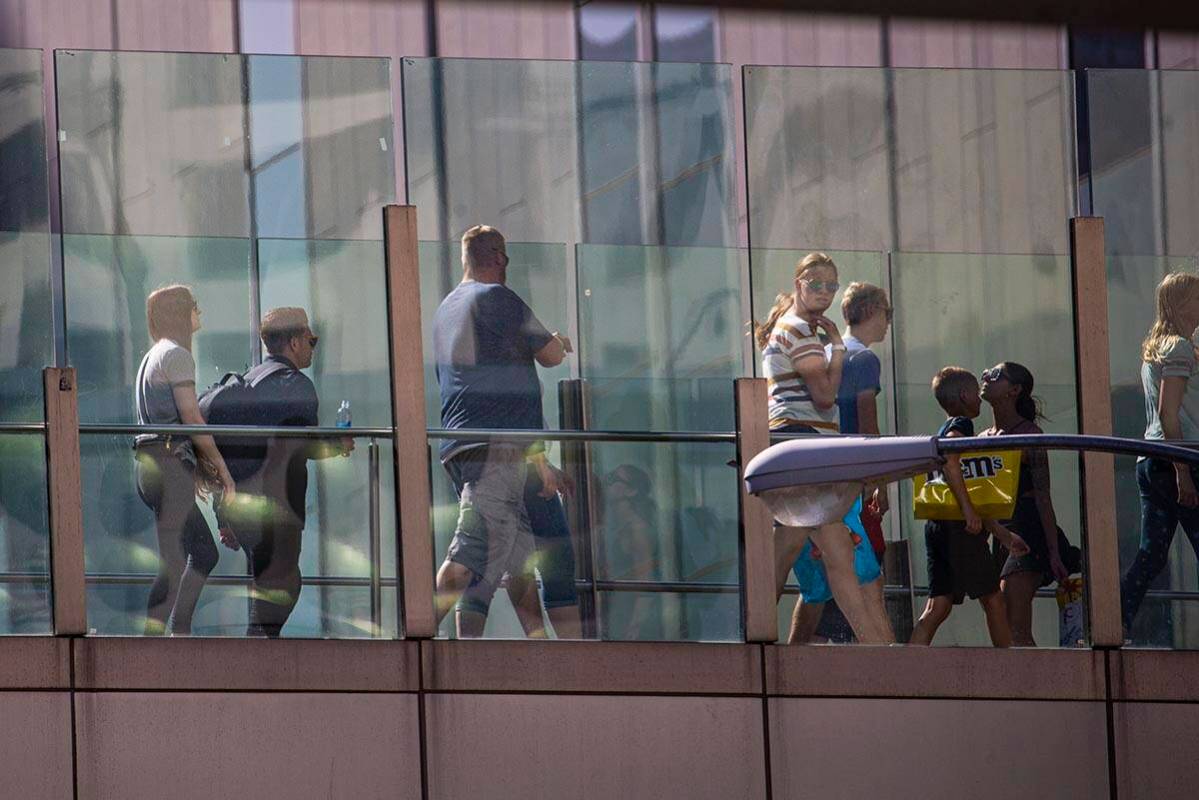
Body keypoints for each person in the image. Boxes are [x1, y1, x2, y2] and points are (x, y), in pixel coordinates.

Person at [433, 225, 572, 638]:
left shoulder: (446, 308)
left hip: (463, 445)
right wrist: (560, 342)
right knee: (471, 549)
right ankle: (414, 631)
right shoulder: (499, 297)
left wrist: (538, 458)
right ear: (499, 259)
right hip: (495, 448)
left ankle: (525, 650)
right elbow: (548, 355)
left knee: (514, 559)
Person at [753, 252, 893, 644]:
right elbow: (826, 396)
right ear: (798, 283)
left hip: (802, 444)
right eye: (816, 283)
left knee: (834, 556)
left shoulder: (797, 329)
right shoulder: (798, 329)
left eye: (832, 285)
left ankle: (883, 655)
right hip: (802, 442)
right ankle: (752, 637)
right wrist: (837, 348)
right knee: (816, 554)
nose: (825, 292)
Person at [216, 307, 352, 637]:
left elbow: (222, 448)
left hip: (240, 507)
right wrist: (339, 444)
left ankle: (258, 657)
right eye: (310, 339)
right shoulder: (297, 385)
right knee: (283, 586)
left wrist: (222, 516)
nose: (312, 346)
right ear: (293, 343)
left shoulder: (246, 381)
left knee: (268, 585)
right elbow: (302, 445)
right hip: (277, 506)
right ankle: (257, 663)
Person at [788, 281, 891, 644]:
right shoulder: (863, 359)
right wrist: (879, 479)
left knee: (816, 587)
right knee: (869, 576)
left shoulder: (827, 354)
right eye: (887, 313)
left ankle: (794, 662)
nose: (888, 323)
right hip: (846, 481)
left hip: (810, 474)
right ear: (871, 312)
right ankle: (891, 668)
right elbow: (868, 425)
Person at [134, 284, 235, 635]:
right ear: (181, 313)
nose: (199, 313)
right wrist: (224, 472)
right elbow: (192, 419)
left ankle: (172, 635)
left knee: (186, 557)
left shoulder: (154, 355)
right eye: (194, 306)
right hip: (165, 466)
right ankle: (166, 639)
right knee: (192, 557)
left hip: (153, 465)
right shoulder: (177, 355)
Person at [908, 367, 1029, 647]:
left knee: (938, 606)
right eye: (976, 393)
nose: (979, 400)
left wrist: (1001, 534)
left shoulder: (944, 426)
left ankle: (907, 667)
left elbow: (973, 486)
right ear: (965, 395)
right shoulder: (962, 425)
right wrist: (968, 511)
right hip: (958, 528)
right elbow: (951, 457)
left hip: (938, 524)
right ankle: (1009, 671)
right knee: (994, 601)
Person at [980, 361, 1081, 646]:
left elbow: (1043, 495)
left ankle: (1039, 687)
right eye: (986, 372)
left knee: (1015, 627)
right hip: (999, 532)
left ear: (1014, 390)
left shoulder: (1030, 434)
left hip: (1028, 530)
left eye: (996, 375)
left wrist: (1054, 552)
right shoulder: (982, 437)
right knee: (1003, 628)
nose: (986, 377)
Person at [1121, 272, 1199, 635]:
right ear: (1184, 303)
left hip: (1150, 458)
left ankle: (1115, 620)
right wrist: (1183, 472)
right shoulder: (1179, 347)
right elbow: (1170, 414)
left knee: (1152, 554)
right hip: (1180, 457)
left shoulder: (1159, 348)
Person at [506, 457, 583, 639]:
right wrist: (542, 465)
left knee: (517, 562)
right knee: (557, 567)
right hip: (523, 468)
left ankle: (542, 648)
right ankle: (572, 656)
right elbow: (522, 429)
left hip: (487, 468)